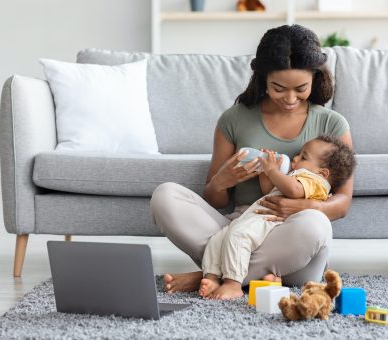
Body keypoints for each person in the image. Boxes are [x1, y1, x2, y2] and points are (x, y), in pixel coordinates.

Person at [150, 24, 354, 296]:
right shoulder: (234, 119)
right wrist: (221, 181)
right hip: (240, 225)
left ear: (315, 79)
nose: (290, 99)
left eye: (301, 88)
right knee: (165, 196)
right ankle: (245, 276)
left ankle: (212, 276)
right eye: (278, 88)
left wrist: (297, 206)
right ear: (262, 79)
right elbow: (215, 200)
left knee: (316, 226)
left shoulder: (332, 124)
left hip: (293, 242)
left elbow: (341, 204)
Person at [199, 136, 356, 299]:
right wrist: (265, 174)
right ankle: (211, 278)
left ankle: (233, 284)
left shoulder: (315, 182)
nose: (295, 159)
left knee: (238, 236)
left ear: (322, 173)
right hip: (258, 217)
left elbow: (294, 191)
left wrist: (273, 170)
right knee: (218, 239)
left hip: (269, 220)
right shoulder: (298, 177)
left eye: (303, 157)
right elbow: (271, 192)